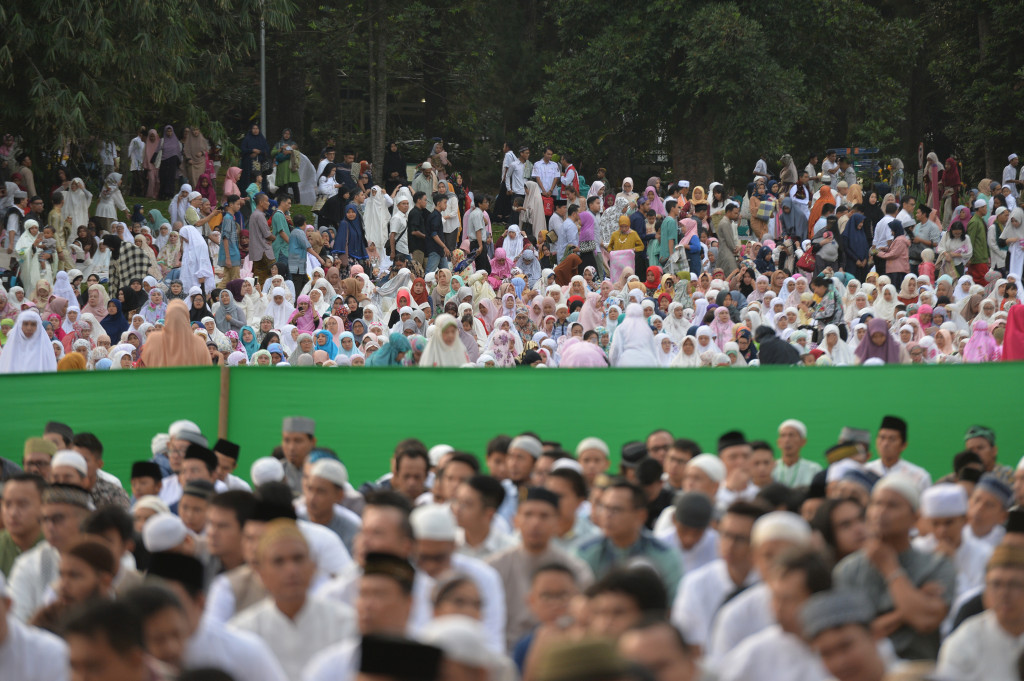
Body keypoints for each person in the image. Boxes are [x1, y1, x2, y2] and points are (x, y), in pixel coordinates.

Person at [833, 474, 956, 659]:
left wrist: (890, 568)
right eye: (876, 504)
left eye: (892, 505)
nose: (880, 512)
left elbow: (925, 620)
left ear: (915, 517)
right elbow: (853, 638)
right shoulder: (847, 571)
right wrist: (908, 609)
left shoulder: (937, 565)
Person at [938, 544, 1024, 680]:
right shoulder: (964, 642)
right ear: (985, 592)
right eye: (996, 584)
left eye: (1014, 584)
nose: (1004, 594)